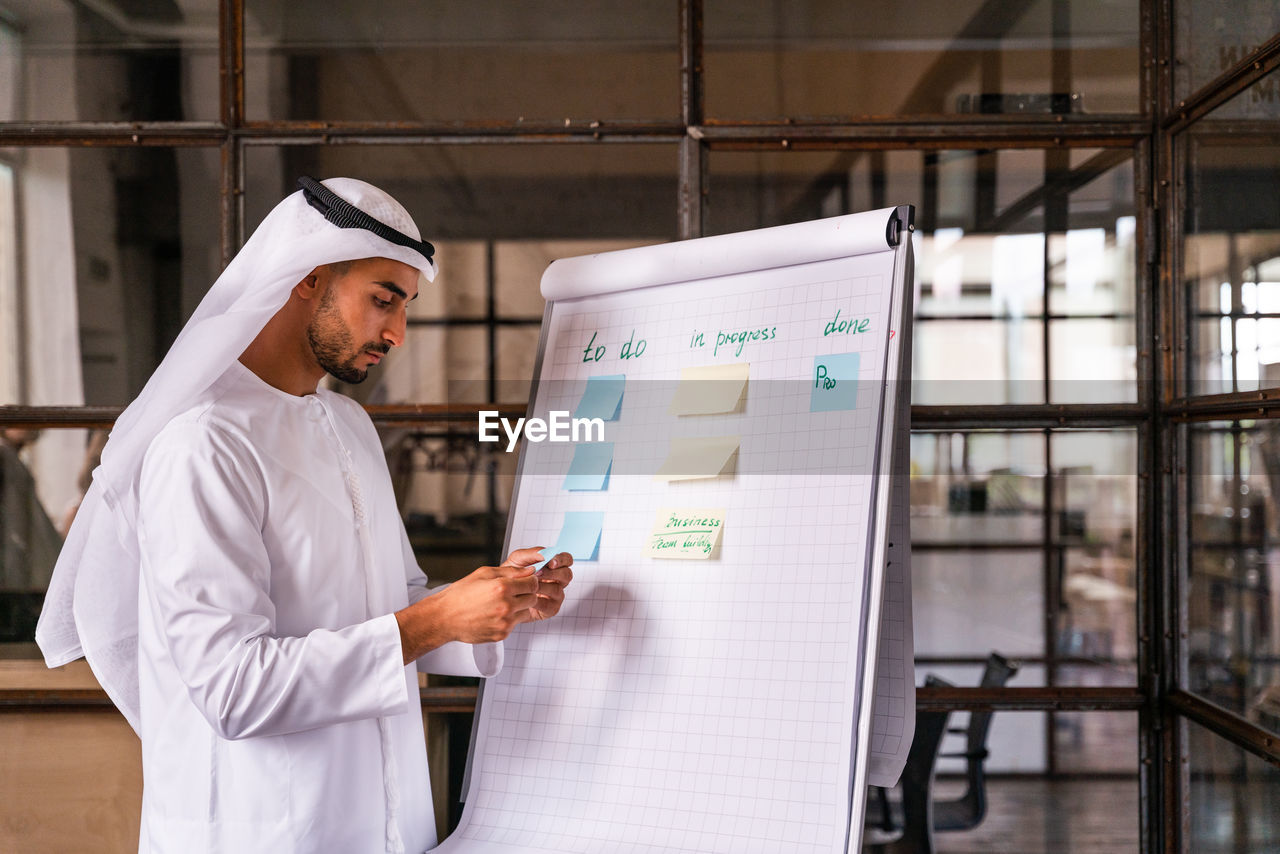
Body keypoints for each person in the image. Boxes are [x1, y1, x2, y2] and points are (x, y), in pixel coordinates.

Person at [36, 177, 573, 853]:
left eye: (405, 308)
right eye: (383, 301)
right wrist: (436, 620)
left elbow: (395, 601)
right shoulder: (203, 443)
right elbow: (233, 688)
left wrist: (492, 605)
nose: (398, 334)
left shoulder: (348, 426)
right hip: (259, 829)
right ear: (308, 279)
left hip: (381, 824)